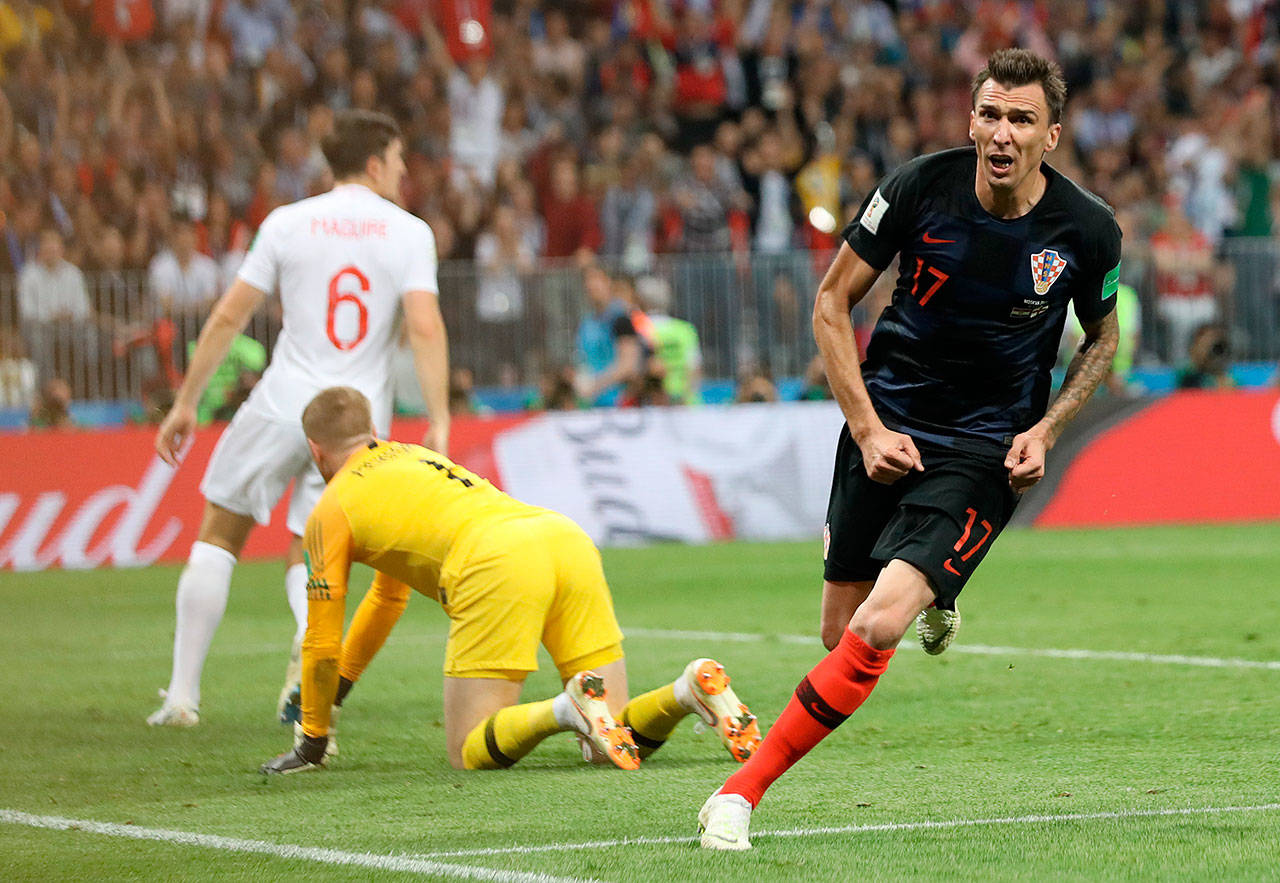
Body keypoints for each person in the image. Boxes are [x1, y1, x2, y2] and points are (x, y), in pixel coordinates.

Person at [698, 49, 1122, 850]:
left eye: (1021, 119)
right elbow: (830, 304)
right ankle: (939, 586)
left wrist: (1045, 430)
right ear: (971, 121)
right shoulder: (916, 188)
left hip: (984, 451)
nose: (1002, 132)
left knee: (880, 625)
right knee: (840, 630)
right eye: (990, 114)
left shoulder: (1085, 229)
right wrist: (866, 428)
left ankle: (738, 793)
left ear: (1052, 135)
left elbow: (1104, 338)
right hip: (885, 424)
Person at [259, 386, 763, 773]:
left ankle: (565, 709)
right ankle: (687, 692)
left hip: (494, 560)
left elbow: (322, 640)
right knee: (610, 737)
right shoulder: (415, 454)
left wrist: (313, 736)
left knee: (467, 748)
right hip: (563, 538)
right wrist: (339, 692)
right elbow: (387, 599)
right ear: (372, 429)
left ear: (314, 449)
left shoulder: (328, 512)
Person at [147, 110, 451, 728]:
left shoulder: (287, 222)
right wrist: (440, 416)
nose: (401, 171)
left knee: (219, 533)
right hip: (354, 422)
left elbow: (230, 316)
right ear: (373, 163)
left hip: (283, 400)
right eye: (396, 161)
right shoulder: (410, 232)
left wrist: (187, 402)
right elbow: (423, 326)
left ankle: (181, 697)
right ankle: (303, 644)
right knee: (312, 549)